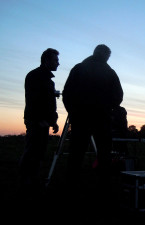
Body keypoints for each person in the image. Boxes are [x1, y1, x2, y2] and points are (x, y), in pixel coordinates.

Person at [62, 44, 123, 210]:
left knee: (76, 153)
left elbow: (66, 93)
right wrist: (108, 108)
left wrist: (73, 112)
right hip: (101, 119)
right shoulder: (110, 72)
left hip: (80, 117)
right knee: (104, 153)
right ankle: (103, 188)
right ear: (107, 56)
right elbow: (119, 96)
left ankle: (71, 188)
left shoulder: (79, 68)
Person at [19, 48, 60, 198]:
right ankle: (26, 182)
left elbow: (49, 103)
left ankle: (33, 180)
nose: (58, 63)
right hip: (36, 121)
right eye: (56, 60)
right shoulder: (34, 76)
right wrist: (41, 120)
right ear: (46, 60)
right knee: (32, 151)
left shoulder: (48, 81)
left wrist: (53, 121)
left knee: (39, 151)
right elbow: (34, 101)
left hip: (43, 122)